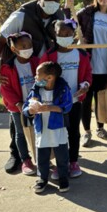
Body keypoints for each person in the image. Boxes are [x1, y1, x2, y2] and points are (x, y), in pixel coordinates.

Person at [0, 0, 68, 173]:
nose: (52, 3)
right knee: (17, 119)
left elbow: (65, 37)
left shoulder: (59, 16)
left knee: (37, 118)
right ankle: (18, 156)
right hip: (16, 68)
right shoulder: (22, 15)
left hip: (39, 70)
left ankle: (45, 157)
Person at [40, 19, 92, 179]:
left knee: (74, 132)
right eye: (61, 34)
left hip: (74, 102)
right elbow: (40, 77)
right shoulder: (49, 55)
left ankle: (73, 161)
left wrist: (85, 84)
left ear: (74, 35)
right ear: (55, 35)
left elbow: (87, 74)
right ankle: (60, 163)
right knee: (57, 133)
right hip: (55, 104)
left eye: (69, 34)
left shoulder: (81, 54)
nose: (65, 36)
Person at [77, 0, 107, 146]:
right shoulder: (87, 13)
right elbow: (71, 23)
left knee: (101, 98)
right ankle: (87, 132)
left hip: (106, 64)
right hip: (88, 64)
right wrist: (68, 8)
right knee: (86, 99)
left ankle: (100, 128)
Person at [24, 61, 73, 194]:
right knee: (42, 157)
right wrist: (30, 111)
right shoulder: (35, 90)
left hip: (58, 129)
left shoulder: (62, 89)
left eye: (38, 75)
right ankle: (42, 179)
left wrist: (50, 107)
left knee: (62, 156)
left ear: (50, 77)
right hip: (42, 129)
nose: (35, 77)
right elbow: (25, 108)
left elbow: (68, 106)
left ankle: (63, 178)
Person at [0, 32, 39, 176]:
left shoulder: (37, 62)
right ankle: (25, 160)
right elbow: (5, 89)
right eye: (23, 46)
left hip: (36, 105)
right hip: (17, 108)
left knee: (39, 131)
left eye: (29, 45)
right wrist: (18, 103)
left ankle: (42, 158)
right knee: (20, 133)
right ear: (14, 49)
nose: (27, 48)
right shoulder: (7, 68)